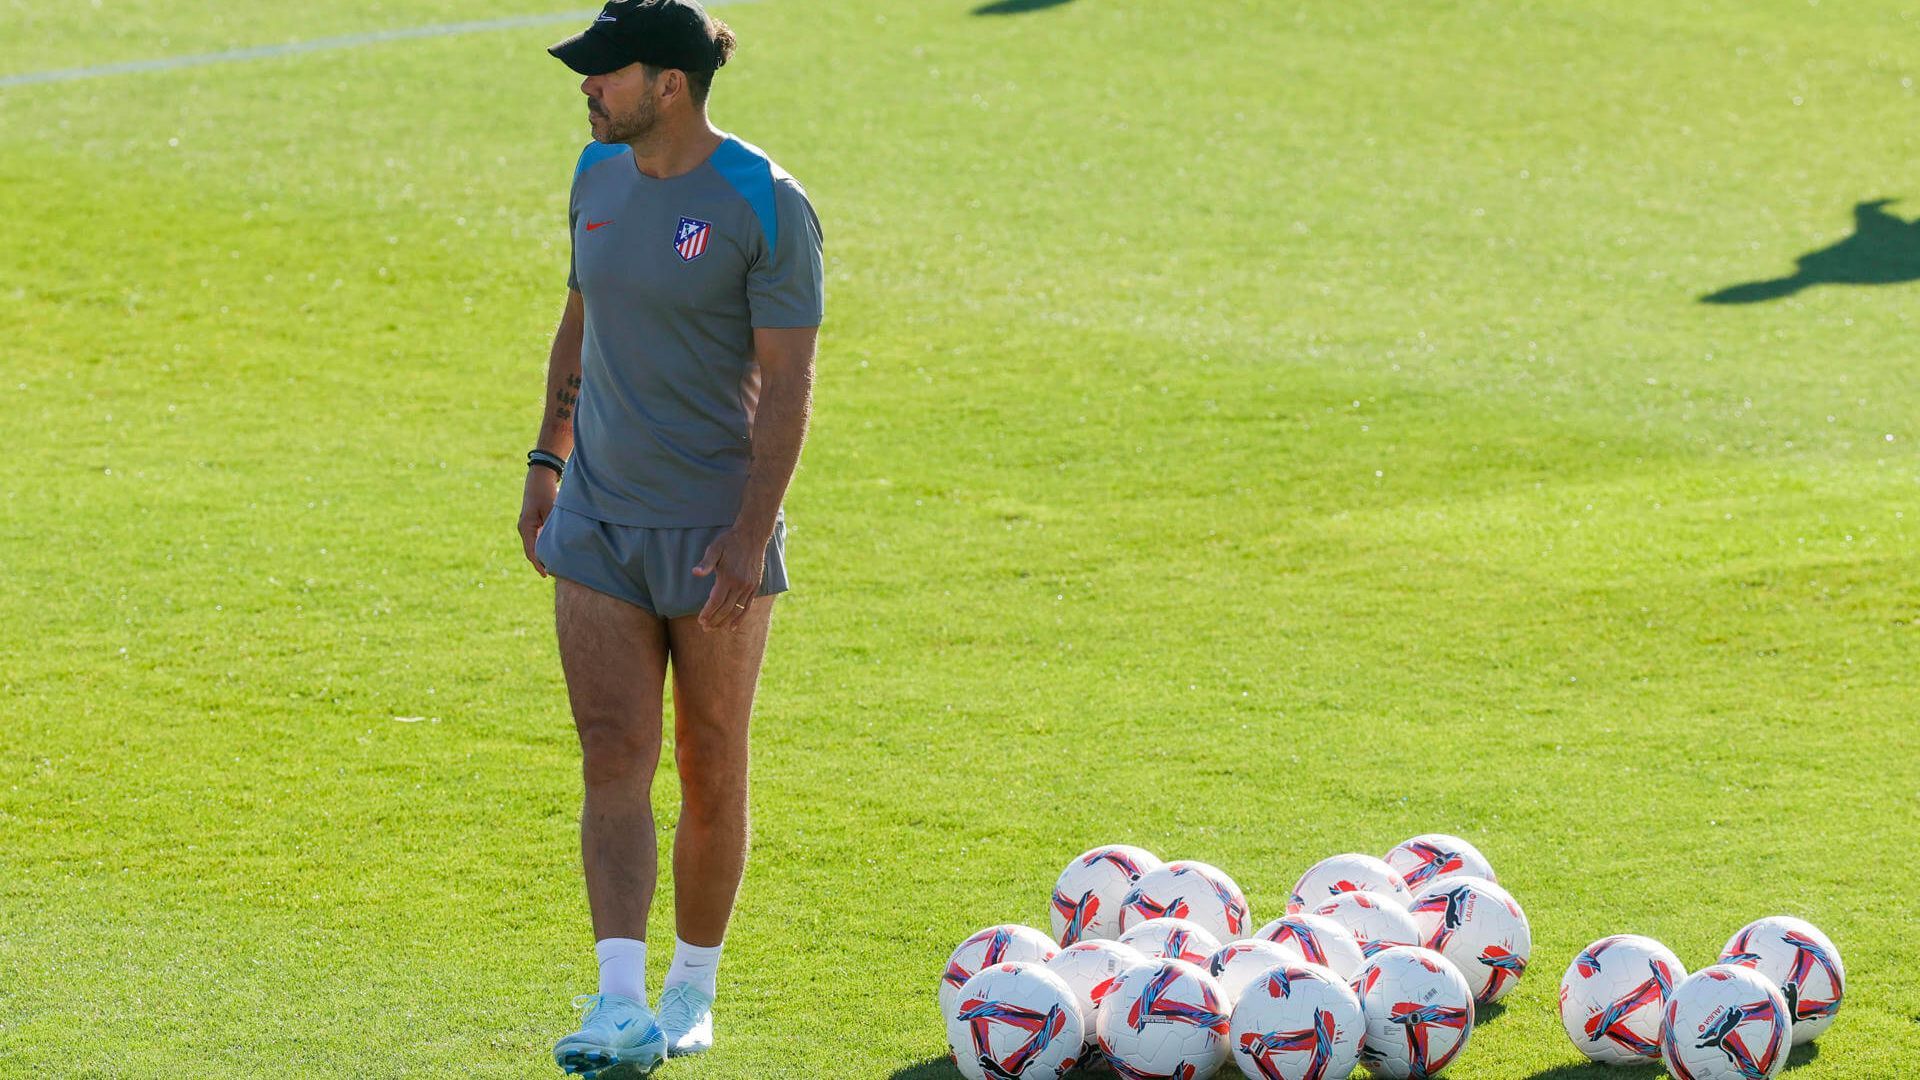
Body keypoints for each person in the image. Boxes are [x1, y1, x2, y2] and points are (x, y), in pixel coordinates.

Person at [517, 1, 824, 1074]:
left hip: (711, 534)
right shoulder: (594, 178)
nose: (587, 87)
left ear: (671, 87)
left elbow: (790, 386)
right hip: (598, 517)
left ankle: (692, 991)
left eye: (607, 72)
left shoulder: (765, 202)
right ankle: (616, 1001)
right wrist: (547, 459)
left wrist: (751, 535)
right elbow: (582, 318)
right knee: (612, 754)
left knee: (708, 758)